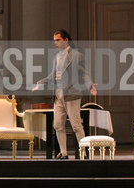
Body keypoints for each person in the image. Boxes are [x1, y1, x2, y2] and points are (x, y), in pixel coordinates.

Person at [32, 29, 97, 159]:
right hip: (58, 94)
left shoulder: (76, 55)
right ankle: (64, 152)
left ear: (66, 40)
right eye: (54, 40)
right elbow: (53, 75)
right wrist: (41, 83)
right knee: (57, 125)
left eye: (58, 40)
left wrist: (90, 85)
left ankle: (84, 152)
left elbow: (84, 73)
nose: (55, 43)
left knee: (76, 125)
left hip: (71, 94)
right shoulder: (57, 57)